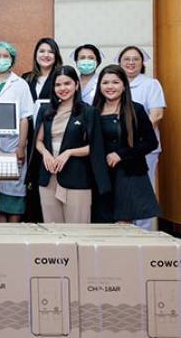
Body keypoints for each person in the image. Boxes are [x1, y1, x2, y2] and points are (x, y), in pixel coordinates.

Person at [28, 66, 110, 223]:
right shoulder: (46, 110)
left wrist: (69, 152)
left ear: (76, 85)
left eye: (67, 83)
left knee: (78, 228)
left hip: (76, 177)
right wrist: (45, 153)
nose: (62, 88)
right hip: (48, 175)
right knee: (52, 228)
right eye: (58, 85)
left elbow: (96, 147)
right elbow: (38, 141)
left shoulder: (88, 112)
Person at [93, 65, 161, 223]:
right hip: (101, 176)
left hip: (129, 174)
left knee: (124, 224)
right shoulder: (93, 111)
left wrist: (121, 154)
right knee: (101, 224)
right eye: (105, 82)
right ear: (100, 86)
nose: (110, 87)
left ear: (124, 85)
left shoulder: (136, 109)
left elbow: (151, 142)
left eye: (115, 82)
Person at [0, 42, 34, 222]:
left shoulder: (20, 85)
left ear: (12, 59)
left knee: (13, 193)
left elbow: (25, 117)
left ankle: (13, 234)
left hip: (12, 146)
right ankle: (0, 232)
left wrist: (21, 147)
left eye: (6, 56)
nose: (2, 59)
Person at [118, 45, 166, 230]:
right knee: (123, 190)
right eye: (126, 59)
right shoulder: (115, 84)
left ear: (142, 63)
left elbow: (157, 114)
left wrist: (136, 138)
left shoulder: (151, 84)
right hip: (120, 150)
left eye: (135, 59)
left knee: (143, 190)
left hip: (144, 148)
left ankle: (144, 232)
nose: (131, 63)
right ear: (120, 63)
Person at [22, 37, 63, 222]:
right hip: (30, 136)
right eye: (42, 51)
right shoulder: (26, 78)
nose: (46, 55)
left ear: (56, 56)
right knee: (32, 181)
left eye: (50, 52)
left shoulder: (61, 78)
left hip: (52, 136)